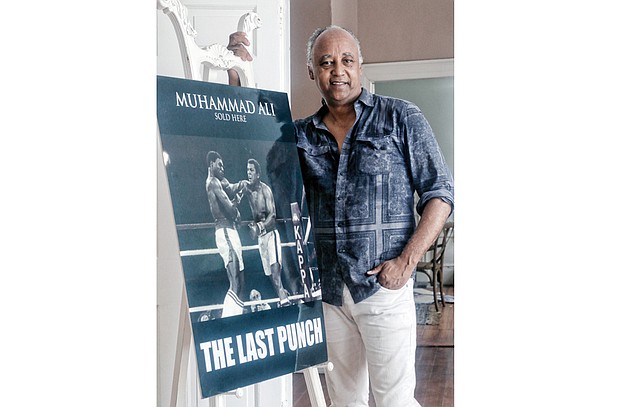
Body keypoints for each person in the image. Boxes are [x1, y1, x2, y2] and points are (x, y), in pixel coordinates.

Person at [227, 26, 453, 407]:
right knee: (345, 402)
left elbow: (441, 193)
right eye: (326, 62)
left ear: (360, 65)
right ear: (312, 72)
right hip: (330, 293)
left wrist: (406, 262)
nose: (338, 70)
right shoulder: (299, 135)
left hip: (384, 289)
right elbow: (250, 135)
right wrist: (236, 74)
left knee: (395, 401)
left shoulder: (400, 118)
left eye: (347, 60)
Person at [205, 150, 248, 317]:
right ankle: (228, 319)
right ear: (211, 165)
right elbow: (230, 210)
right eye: (219, 164)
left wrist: (242, 185)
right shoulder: (212, 182)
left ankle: (237, 317)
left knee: (242, 281)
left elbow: (231, 189)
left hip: (232, 232)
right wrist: (236, 208)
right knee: (235, 279)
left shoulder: (221, 181)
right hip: (224, 231)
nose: (222, 168)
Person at [244, 158, 290, 306]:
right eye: (247, 170)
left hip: (271, 235)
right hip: (261, 239)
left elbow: (272, 216)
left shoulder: (265, 190)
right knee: (270, 276)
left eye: (251, 170)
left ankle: (284, 301)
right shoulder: (247, 190)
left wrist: (259, 227)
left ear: (258, 174)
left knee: (276, 275)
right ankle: (284, 297)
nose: (248, 173)